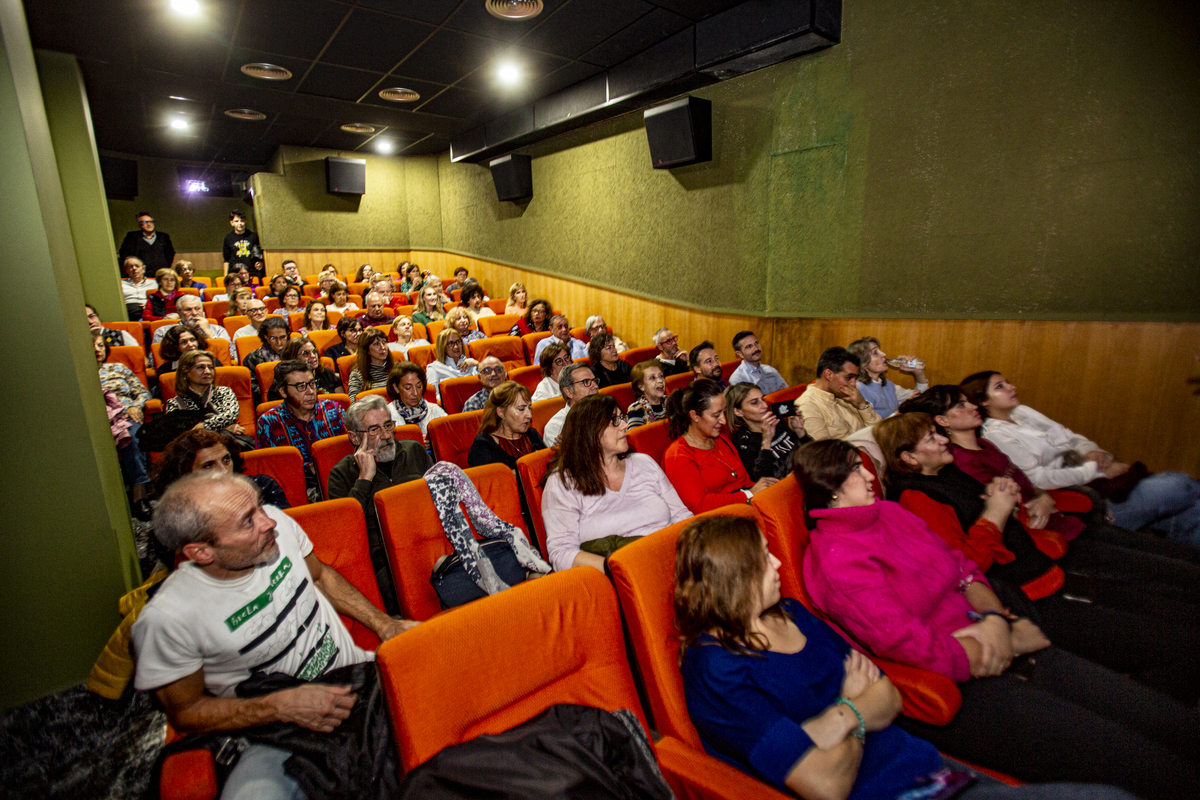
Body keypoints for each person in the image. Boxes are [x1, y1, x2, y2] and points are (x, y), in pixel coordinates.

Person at [794, 439, 1200, 798]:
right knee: (1148, 766)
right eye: (853, 470)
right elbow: (907, 643)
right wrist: (998, 639)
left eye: (863, 464)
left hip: (996, 636)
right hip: (966, 682)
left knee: (1173, 726)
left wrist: (993, 617)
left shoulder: (888, 513)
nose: (869, 474)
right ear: (830, 490)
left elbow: (962, 566)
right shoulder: (838, 560)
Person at [677, 512, 1138, 800]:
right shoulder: (717, 667)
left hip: (921, 764)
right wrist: (854, 707)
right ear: (731, 578)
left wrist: (834, 723)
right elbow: (826, 786)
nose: (778, 564)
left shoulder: (793, 613)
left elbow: (888, 694)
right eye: (763, 559)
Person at [131, 472, 418, 800]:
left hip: (361, 679)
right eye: (247, 522)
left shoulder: (278, 526)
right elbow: (186, 711)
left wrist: (384, 624)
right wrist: (278, 706)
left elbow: (321, 576)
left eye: (259, 508)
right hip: (277, 731)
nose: (268, 522)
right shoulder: (168, 620)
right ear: (201, 553)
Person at [876, 412, 1200, 702]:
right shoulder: (914, 495)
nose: (944, 440)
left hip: (1049, 572)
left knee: (1176, 613)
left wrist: (1010, 501)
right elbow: (963, 565)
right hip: (1032, 601)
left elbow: (993, 518)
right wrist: (997, 513)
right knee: (1176, 645)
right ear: (909, 456)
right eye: (932, 438)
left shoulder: (946, 475)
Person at [964, 370, 1200, 547]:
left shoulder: (1022, 413)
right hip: (1076, 492)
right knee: (1182, 485)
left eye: (1006, 382)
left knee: (1193, 509)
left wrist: (1093, 453)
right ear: (984, 401)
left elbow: (1068, 437)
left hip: (1085, 469)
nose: (1011, 387)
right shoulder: (995, 434)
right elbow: (1039, 478)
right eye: (1000, 387)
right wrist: (1095, 471)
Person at [542, 394, 690, 572]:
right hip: (619, 574)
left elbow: (682, 517)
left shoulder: (643, 463)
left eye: (622, 418)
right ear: (590, 431)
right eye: (614, 421)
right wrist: (621, 568)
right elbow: (562, 554)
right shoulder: (562, 483)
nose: (625, 426)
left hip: (674, 560)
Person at [327, 395, 433, 616]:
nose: (386, 436)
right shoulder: (341, 474)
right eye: (374, 430)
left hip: (427, 541)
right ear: (354, 437)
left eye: (388, 425)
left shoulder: (414, 451)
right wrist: (364, 478)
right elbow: (345, 534)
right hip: (383, 560)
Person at [663, 378, 777, 513]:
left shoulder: (722, 440)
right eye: (716, 415)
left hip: (747, 506)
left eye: (724, 411)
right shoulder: (678, 454)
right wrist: (749, 494)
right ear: (694, 416)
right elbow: (700, 505)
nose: (723, 420)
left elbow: (744, 480)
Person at [256, 360, 347, 500]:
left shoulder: (333, 410)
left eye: (312, 384)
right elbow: (269, 473)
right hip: (297, 491)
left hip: (340, 482)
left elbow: (351, 450)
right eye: (301, 386)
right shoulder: (269, 423)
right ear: (283, 391)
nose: (310, 391)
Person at [151, 428, 289, 511]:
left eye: (226, 460)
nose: (223, 471)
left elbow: (289, 536)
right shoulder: (181, 510)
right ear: (186, 474)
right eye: (208, 465)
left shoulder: (263, 486)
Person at [95, 334, 151, 511]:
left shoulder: (118, 368)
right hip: (96, 418)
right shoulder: (79, 375)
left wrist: (135, 406)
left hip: (124, 415)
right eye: (92, 346)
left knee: (133, 437)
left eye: (101, 346)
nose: (97, 350)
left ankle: (139, 495)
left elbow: (142, 392)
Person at [726, 382, 810, 480]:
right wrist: (766, 442)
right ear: (738, 412)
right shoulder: (744, 443)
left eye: (762, 399)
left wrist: (800, 432)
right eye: (754, 403)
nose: (764, 406)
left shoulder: (778, 423)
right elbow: (763, 481)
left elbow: (813, 455)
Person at [796, 346, 882, 441]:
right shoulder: (807, 406)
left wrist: (862, 405)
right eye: (849, 377)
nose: (854, 384)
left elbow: (881, 433)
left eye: (855, 378)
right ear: (828, 374)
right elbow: (822, 451)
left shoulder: (847, 396)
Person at [164, 350, 247, 443]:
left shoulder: (224, 392)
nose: (207, 371)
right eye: (200, 367)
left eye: (210, 367)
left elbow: (230, 414)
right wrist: (224, 429)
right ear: (186, 372)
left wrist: (203, 426)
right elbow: (180, 435)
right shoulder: (175, 403)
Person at [467, 382, 545, 469]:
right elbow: (487, 481)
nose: (529, 415)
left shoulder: (532, 435)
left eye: (529, 407)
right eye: (521, 409)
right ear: (501, 412)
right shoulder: (483, 445)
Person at [847, 336, 929, 418]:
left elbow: (921, 400)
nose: (884, 354)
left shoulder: (885, 384)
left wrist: (919, 373)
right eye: (875, 353)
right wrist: (900, 412)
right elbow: (870, 424)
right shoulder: (859, 389)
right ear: (863, 362)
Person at [384, 361, 447, 445]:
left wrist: (435, 442)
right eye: (408, 388)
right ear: (396, 388)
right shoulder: (387, 415)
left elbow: (451, 439)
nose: (415, 393)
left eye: (419, 387)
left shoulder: (435, 410)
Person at [151, 295, 232, 357]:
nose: (194, 313)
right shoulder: (162, 332)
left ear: (203, 311)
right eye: (188, 310)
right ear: (179, 313)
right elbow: (155, 361)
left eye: (197, 308)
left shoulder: (218, 330)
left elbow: (230, 355)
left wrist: (208, 332)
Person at [542, 364, 599, 447]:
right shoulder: (556, 427)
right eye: (586, 382)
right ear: (568, 392)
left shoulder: (608, 411)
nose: (595, 386)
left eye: (594, 380)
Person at [271, 337, 342, 397]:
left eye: (314, 351)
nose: (313, 356)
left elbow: (341, 401)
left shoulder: (327, 373)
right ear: (293, 357)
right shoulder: (283, 382)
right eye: (305, 353)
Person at [241, 317, 290, 398]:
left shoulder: (295, 353)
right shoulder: (252, 358)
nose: (279, 342)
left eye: (282, 337)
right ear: (265, 337)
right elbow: (251, 389)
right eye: (273, 338)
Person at [426, 328, 478, 402]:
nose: (456, 346)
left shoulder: (471, 363)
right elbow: (434, 397)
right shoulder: (434, 368)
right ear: (442, 347)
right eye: (450, 343)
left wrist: (478, 365)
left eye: (458, 342)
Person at [728, 330, 787, 395]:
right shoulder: (738, 379)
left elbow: (787, 392)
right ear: (739, 354)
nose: (756, 348)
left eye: (756, 343)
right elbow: (747, 404)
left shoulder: (770, 369)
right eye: (749, 346)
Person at [118, 211, 174, 276]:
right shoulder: (132, 237)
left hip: (160, 274)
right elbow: (124, 254)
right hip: (140, 276)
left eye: (150, 221)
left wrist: (165, 267)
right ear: (139, 224)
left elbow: (170, 253)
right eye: (145, 222)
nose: (149, 224)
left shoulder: (163, 237)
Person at [346, 328, 393, 402]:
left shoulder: (397, 369)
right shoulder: (357, 375)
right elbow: (354, 404)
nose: (383, 347)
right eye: (376, 344)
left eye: (384, 342)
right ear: (367, 350)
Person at [626, 360, 668, 428]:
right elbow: (635, 437)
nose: (660, 381)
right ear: (641, 386)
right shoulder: (636, 409)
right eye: (652, 378)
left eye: (661, 376)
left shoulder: (672, 402)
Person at [222, 209, 263, 279]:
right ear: (231, 223)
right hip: (234, 273)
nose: (240, 223)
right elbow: (226, 259)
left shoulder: (253, 236)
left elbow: (258, 254)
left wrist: (260, 263)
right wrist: (225, 276)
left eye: (242, 221)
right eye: (236, 221)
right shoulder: (228, 238)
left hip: (251, 273)